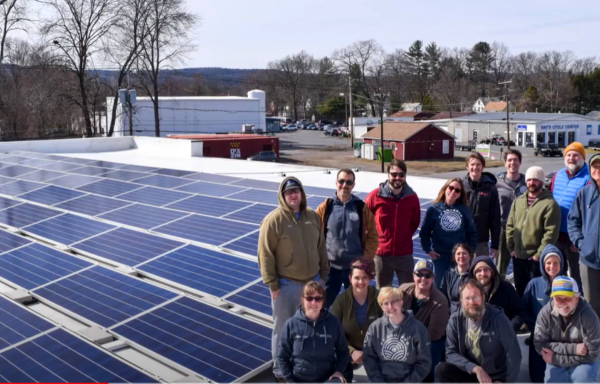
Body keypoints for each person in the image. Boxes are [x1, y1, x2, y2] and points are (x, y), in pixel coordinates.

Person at [258, 177, 329, 381]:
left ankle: (304, 368)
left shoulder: (312, 217)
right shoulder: (274, 220)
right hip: (286, 285)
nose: (293, 195)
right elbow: (265, 254)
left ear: (302, 193)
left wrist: (323, 276)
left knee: (310, 329)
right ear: (282, 195)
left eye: (296, 191)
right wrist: (272, 284)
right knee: (282, 329)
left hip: (313, 283)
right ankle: (281, 373)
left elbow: (321, 247)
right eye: (289, 192)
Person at [435, 278, 522, 383]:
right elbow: (450, 352)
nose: (471, 302)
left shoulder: (499, 319)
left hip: (494, 377)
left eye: (475, 297)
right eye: (467, 298)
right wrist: (475, 368)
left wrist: (505, 382)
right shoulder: (455, 320)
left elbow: (514, 353)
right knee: (441, 370)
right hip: (471, 372)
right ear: (461, 301)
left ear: (483, 298)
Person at [316, 169, 378, 308]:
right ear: (336, 182)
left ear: (353, 185)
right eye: (341, 181)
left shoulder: (361, 208)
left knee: (356, 304)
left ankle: (353, 329)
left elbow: (373, 235)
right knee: (323, 304)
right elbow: (314, 235)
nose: (344, 185)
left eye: (348, 182)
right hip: (330, 268)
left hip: (354, 269)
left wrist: (365, 260)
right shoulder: (326, 207)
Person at [277, 281, 350, 383]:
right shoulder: (291, 324)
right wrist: (290, 380)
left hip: (327, 378)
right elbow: (282, 356)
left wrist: (338, 371)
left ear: (323, 300)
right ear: (303, 300)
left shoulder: (333, 323)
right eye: (309, 298)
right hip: (299, 380)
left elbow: (343, 351)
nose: (313, 302)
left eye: (318, 298)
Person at [506, 166, 561, 297]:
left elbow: (551, 233)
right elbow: (510, 225)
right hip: (518, 256)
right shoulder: (518, 201)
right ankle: (522, 316)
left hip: (535, 259)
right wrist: (511, 248)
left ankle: (536, 317)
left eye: (535, 180)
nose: (531, 183)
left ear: (541, 182)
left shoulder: (550, 204)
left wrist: (539, 254)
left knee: (536, 294)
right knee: (520, 291)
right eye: (529, 179)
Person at [533, 276, 600, 383]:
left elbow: (592, 355)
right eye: (558, 298)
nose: (562, 303)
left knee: (583, 378)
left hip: (582, 361)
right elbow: (539, 344)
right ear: (553, 298)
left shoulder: (590, 317)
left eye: (567, 298)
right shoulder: (545, 314)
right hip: (560, 358)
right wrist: (573, 349)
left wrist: (556, 359)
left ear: (577, 298)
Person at [365, 159, 420, 288]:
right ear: (388, 175)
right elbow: (365, 222)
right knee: (383, 294)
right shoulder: (374, 196)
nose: (397, 178)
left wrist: (403, 237)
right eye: (394, 174)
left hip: (404, 254)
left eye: (401, 175)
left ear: (405, 176)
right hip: (381, 255)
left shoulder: (412, 197)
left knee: (407, 292)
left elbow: (415, 223)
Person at [362, 287, 431, 383]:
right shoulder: (374, 328)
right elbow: (369, 358)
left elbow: (424, 362)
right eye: (385, 303)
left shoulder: (418, 328)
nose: (390, 307)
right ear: (381, 307)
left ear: (401, 302)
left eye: (394, 302)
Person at [330, 258, 383, 382]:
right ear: (350, 279)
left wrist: (373, 350)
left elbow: (388, 327)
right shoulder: (341, 301)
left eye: (364, 277)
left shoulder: (379, 297)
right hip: (348, 348)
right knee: (340, 378)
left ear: (369, 278)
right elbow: (334, 332)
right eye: (357, 278)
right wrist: (351, 351)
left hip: (375, 348)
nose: (361, 281)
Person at [420, 178, 478, 287]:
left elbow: (472, 233)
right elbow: (424, 233)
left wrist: (470, 253)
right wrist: (428, 250)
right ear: (445, 188)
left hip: (459, 258)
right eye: (451, 188)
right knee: (440, 288)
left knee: (460, 288)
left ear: (460, 194)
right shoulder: (433, 209)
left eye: (457, 190)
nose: (453, 192)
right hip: (440, 258)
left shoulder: (464, 210)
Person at [400, 260, 450, 382]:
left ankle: (427, 378)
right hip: (403, 336)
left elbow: (433, 334)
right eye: (419, 274)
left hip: (428, 341)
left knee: (431, 348)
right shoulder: (402, 290)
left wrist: (409, 343)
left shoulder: (440, 301)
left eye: (428, 275)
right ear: (413, 275)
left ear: (433, 278)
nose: (423, 278)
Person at [549, 142, 590, 290]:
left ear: (582, 158)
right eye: (568, 155)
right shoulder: (558, 175)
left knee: (576, 274)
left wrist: (579, 239)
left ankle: (578, 305)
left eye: (576, 155)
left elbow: (590, 211)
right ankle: (561, 299)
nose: (572, 158)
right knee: (558, 271)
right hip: (556, 234)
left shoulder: (588, 178)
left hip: (574, 238)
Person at [521, 245, 565, 383]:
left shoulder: (568, 284)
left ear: (561, 264)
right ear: (542, 264)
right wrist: (535, 326)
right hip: (539, 335)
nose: (552, 266)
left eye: (555, 263)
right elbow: (524, 309)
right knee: (536, 377)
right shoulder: (533, 284)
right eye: (548, 263)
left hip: (561, 336)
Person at [568, 153, 600, 318]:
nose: (598, 170)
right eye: (595, 166)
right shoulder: (584, 194)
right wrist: (582, 244)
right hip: (588, 262)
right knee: (591, 306)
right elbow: (573, 222)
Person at [468, 256, 525, 332]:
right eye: (478, 271)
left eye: (486, 270)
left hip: (503, 334)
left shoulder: (506, 288)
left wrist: (509, 330)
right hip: (476, 335)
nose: (483, 273)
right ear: (474, 274)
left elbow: (519, 313)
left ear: (492, 271)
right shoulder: (468, 292)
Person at [463, 152, 501, 258]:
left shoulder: (491, 188)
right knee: (461, 272)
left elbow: (495, 218)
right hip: (461, 240)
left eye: (478, 164)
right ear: (467, 167)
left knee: (480, 271)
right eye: (472, 164)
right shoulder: (460, 186)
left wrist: (495, 245)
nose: (475, 167)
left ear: (483, 167)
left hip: (481, 241)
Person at [496, 149, 527, 279]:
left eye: (515, 160)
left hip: (523, 230)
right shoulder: (497, 183)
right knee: (500, 266)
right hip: (503, 230)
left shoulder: (527, 182)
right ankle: (498, 292)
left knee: (522, 266)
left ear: (520, 162)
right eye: (509, 160)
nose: (512, 163)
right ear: (504, 163)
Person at [440, 243, 473, 315]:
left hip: (469, 314)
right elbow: (443, 295)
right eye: (458, 254)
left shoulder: (474, 275)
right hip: (451, 315)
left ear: (470, 256)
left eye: (464, 253)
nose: (461, 256)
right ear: (454, 257)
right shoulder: (449, 274)